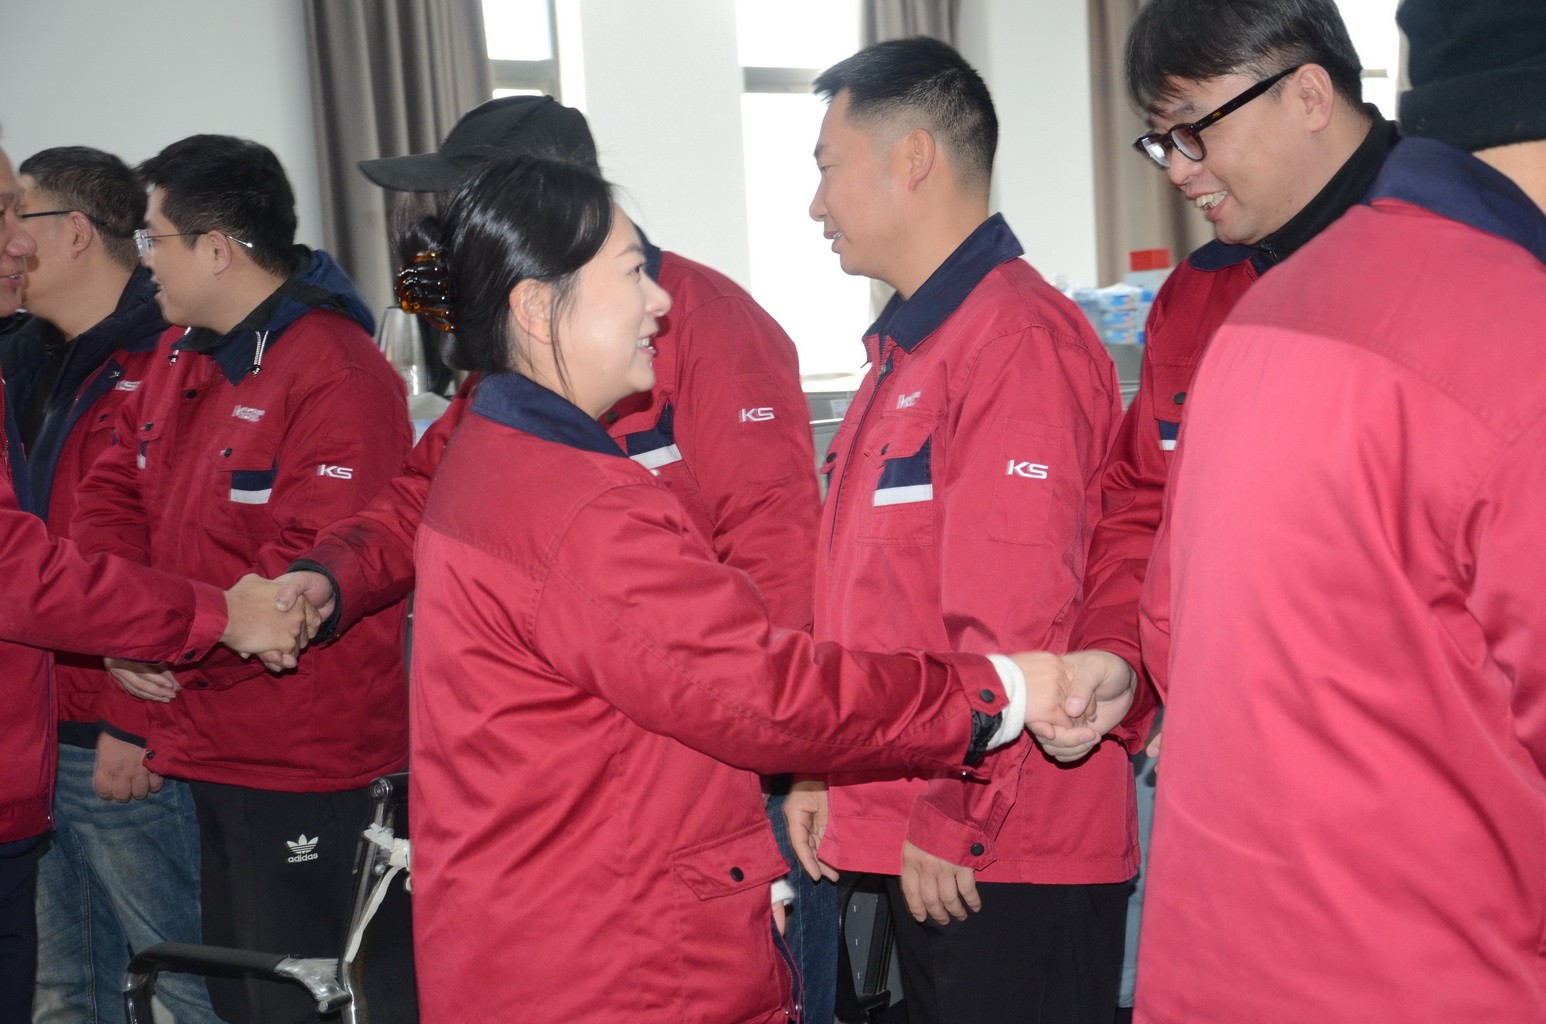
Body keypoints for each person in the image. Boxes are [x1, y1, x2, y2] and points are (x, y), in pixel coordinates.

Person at [398, 150, 1100, 1024]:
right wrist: (1001, 690)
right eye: (632, 273)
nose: (661, 300)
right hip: (619, 968)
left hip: (549, 932)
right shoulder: (579, 509)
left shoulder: (495, 459)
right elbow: (765, 694)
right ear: (539, 308)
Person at [270, 94, 834, 1019]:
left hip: (728, 752)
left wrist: (790, 751)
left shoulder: (709, 328)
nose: (445, 229)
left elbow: (778, 549)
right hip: (600, 767)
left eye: (459, 202)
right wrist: (329, 577)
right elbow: (427, 491)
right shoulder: (529, 348)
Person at [1134, 0, 1546, 1020]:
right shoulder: (1518, 334)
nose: (1182, 170)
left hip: (1223, 968)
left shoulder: (1262, 311)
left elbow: (1168, 626)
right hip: (1436, 974)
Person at [1004, 4, 1403, 1019]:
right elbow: (1143, 501)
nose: (1179, 171)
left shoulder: (1451, 267)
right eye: (1160, 141)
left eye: (1195, 133)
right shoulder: (1199, 295)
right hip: (1226, 811)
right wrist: (1117, 656)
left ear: (1308, 95)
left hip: (1401, 823)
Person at [785, 36, 1127, 1024]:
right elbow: (867, 606)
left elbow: (1016, 616)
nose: (815, 204)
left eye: (827, 168)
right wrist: (824, 769)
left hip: (995, 852)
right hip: (906, 836)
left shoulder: (1016, 340)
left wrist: (954, 809)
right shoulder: (904, 352)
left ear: (914, 158)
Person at [67, 134, 412, 1024]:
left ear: (217, 248)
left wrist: (169, 638)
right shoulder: (178, 355)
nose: (144, 260)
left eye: (155, 237)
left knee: (298, 999)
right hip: (206, 734)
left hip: (305, 754)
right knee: (240, 996)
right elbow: (111, 493)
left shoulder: (336, 370)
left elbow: (313, 564)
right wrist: (130, 630)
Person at [0, 135, 311, 1024]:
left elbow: (167, 541)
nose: (15, 239)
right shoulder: (28, 358)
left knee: (167, 976)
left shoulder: (166, 358)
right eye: (1, 213)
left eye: (21, 211)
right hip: (45, 721)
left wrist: (129, 717)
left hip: (103, 716)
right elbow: (33, 561)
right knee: (67, 989)